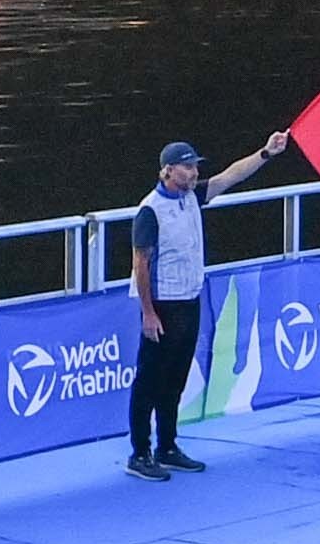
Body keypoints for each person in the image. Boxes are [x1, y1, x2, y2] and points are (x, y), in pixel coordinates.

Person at [128, 119, 300, 479]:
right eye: (187, 167)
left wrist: (267, 152)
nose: (194, 172)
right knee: (150, 379)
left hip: (189, 299)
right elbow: (140, 264)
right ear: (168, 170)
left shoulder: (192, 197)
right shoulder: (150, 210)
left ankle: (168, 445)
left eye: (194, 167)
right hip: (162, 304)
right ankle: (140, 454)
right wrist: (148, 313)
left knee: (175, 378)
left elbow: (231, 176)